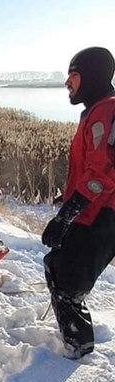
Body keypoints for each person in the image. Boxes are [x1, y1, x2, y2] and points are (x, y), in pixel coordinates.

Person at [43, 46, 115, 359]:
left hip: (102, 215)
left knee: (65, 282)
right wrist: (69, 197)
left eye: (72, 76)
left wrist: (66, 215)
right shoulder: (99, 110)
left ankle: (78, 351)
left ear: (90, 76)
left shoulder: (107, 110)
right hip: (95, 210)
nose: (67, 84)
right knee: (59, 270)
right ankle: (76, 344)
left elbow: (103, 171)